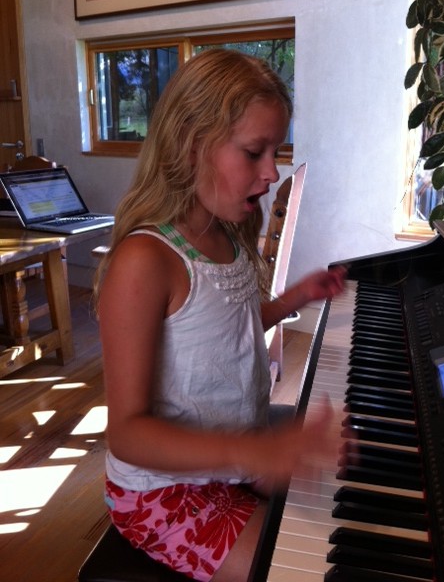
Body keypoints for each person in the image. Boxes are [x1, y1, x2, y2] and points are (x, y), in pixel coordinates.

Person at [95, 48, 347, 582]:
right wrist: (256, 453)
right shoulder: (146, 261)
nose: (272, 172)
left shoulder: (225, 236)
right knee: (304, 571)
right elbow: (129, 435)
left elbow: (225, 332)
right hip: (164, 492)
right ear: (191, 145)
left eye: (276, 152)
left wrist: (291, 300)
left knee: (344, 511)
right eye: (254, 152)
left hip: (231, 456)